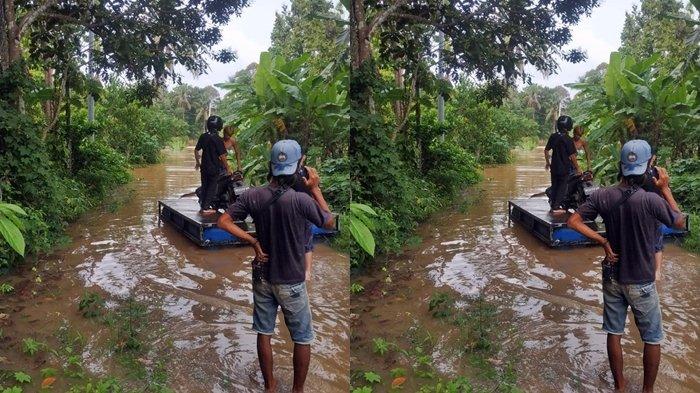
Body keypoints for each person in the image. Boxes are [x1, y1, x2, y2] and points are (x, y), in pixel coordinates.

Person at [566, 139, 685, 393]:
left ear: (621, 166)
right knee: (652, 338)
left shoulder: (602, 195)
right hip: (641, 280)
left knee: (614, 332)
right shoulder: (651, 200)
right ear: (648, 167)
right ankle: (647, 391)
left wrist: (602, 240)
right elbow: (679, 223)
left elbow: (573, 221)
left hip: (612, 276)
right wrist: (665, 189)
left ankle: (619, 387)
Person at [216, 139, 335, 393]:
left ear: (271, 166)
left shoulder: (253, 195)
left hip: (262, 276)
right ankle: (297, 391)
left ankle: (269, 387)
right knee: (302, 338)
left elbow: (223, 221)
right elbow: (329, 223)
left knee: (264, 332)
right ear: (297, 168)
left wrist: (252, 241)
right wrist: (315, 189)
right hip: (291, 279)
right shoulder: (300, 201)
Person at [194, 115, 232, 214]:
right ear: (219, 126)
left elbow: (196, 150)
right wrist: (228, 168)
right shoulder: (218, 139)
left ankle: (203, 206)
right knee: (211, 187)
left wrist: (198, 163)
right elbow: (223, 156)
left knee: (204, 185)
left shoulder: (203, 136)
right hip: (214, 167)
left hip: (204, 167)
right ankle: (206, 208)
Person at [545, 115, 581, 212]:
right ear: (568, 127)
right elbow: (573, 156)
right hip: (564, 168)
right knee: (562, 187)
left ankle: (553, 205)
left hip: (554, 167)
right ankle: (556, 207)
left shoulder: (553, 136)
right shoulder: (568, 139)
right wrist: (578, 168)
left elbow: (546, 150)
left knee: (554, 185)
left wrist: (548, 163)